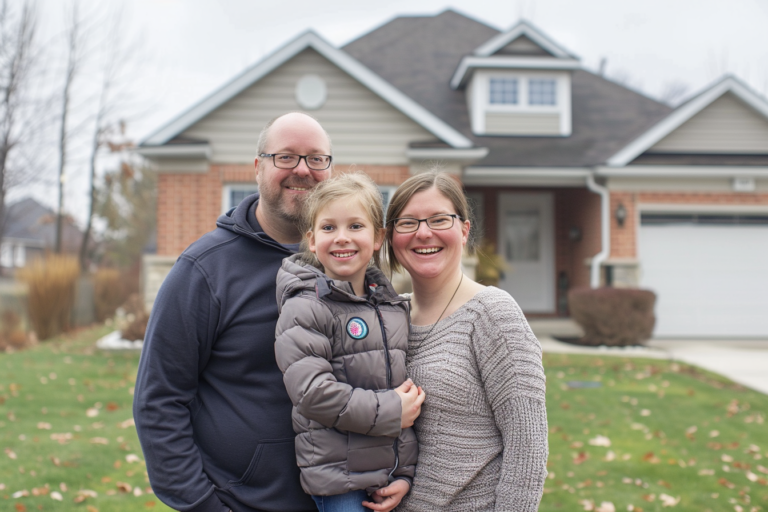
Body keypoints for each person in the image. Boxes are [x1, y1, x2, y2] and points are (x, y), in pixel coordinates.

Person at [134, 112, 336, 512]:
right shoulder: (205, 271)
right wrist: (203, 505)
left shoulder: (348, 264)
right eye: (286, 157)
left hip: (342, 498)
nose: (302, 170)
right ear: (258, 167)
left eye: (316, 159)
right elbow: (159, 401)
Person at [378, 172, 549, 511]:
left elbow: (527, 447)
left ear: (464, 230)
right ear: (391, 238)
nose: (424, 233)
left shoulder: (493, 314)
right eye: (408, 222)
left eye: (439, 219)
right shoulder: (388, 317)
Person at [274, 172, 425, 512]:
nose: (342, 238)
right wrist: (391, 410)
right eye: (329, 228)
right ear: (312, 240)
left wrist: (404, 475)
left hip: (387, 479)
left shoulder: (392, 309)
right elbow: (312, 394)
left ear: (377, 237)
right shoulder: (306, 306)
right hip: (339, 481)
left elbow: (400, 393)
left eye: (355, 226)